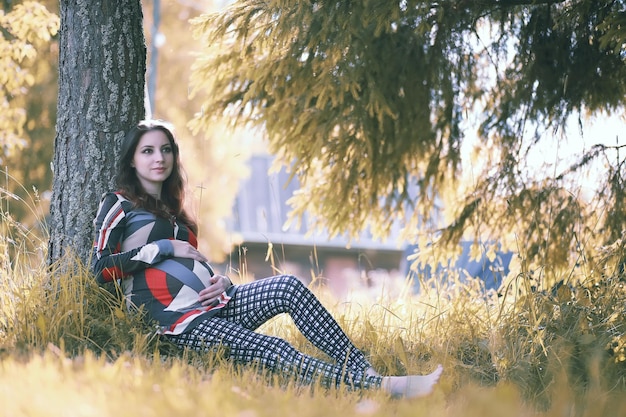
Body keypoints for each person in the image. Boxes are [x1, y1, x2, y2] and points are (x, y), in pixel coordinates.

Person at [92, 119, 443, 397]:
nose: (159, 158)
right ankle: (384, 388)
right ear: (132, 160)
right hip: (178, 324)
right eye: (148, 151)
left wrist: (222, 281)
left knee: (288, 286)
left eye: (166, 150)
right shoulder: (119, 204)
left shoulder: (176, 213)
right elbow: (101, 268)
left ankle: (364, 369)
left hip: (216, 305)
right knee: (273, 348)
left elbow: (191, 265)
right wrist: (165, 248)